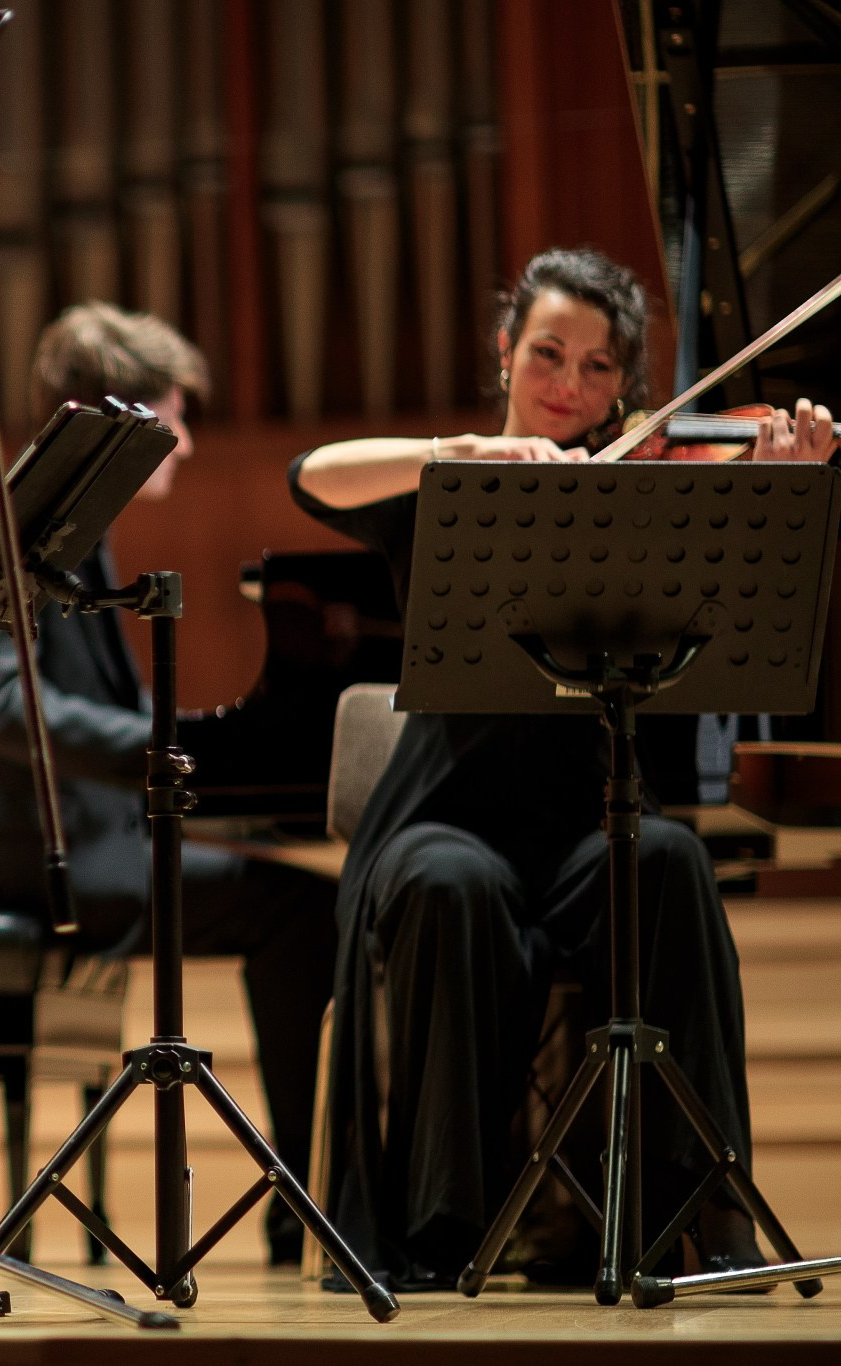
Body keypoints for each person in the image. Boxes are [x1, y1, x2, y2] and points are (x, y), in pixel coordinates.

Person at [291, 245, 836, 1290]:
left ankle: (698, 1214)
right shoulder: (445, 480)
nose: (566, 385)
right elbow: (307, 477)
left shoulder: (652, 492)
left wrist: (780, 487)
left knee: (669, 860)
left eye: (595, 369)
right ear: (503, 352)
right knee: (451, 884)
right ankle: (439, 1225)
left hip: (592, 820)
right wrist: (452, 452)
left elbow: (730, 627)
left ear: (622, 390)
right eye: (546, 352)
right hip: (439, 817)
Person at [0, 301, 339, 1265]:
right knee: (300, 915)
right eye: (173, 417)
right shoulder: (10, 528)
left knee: (302, 896)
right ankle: (303, 1199)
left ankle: (311, 1190)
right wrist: (154, 745)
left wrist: (175, 749)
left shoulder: (74, 532)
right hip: (44, 864)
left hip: (96, 839)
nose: (187, 443)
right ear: (114, 419)